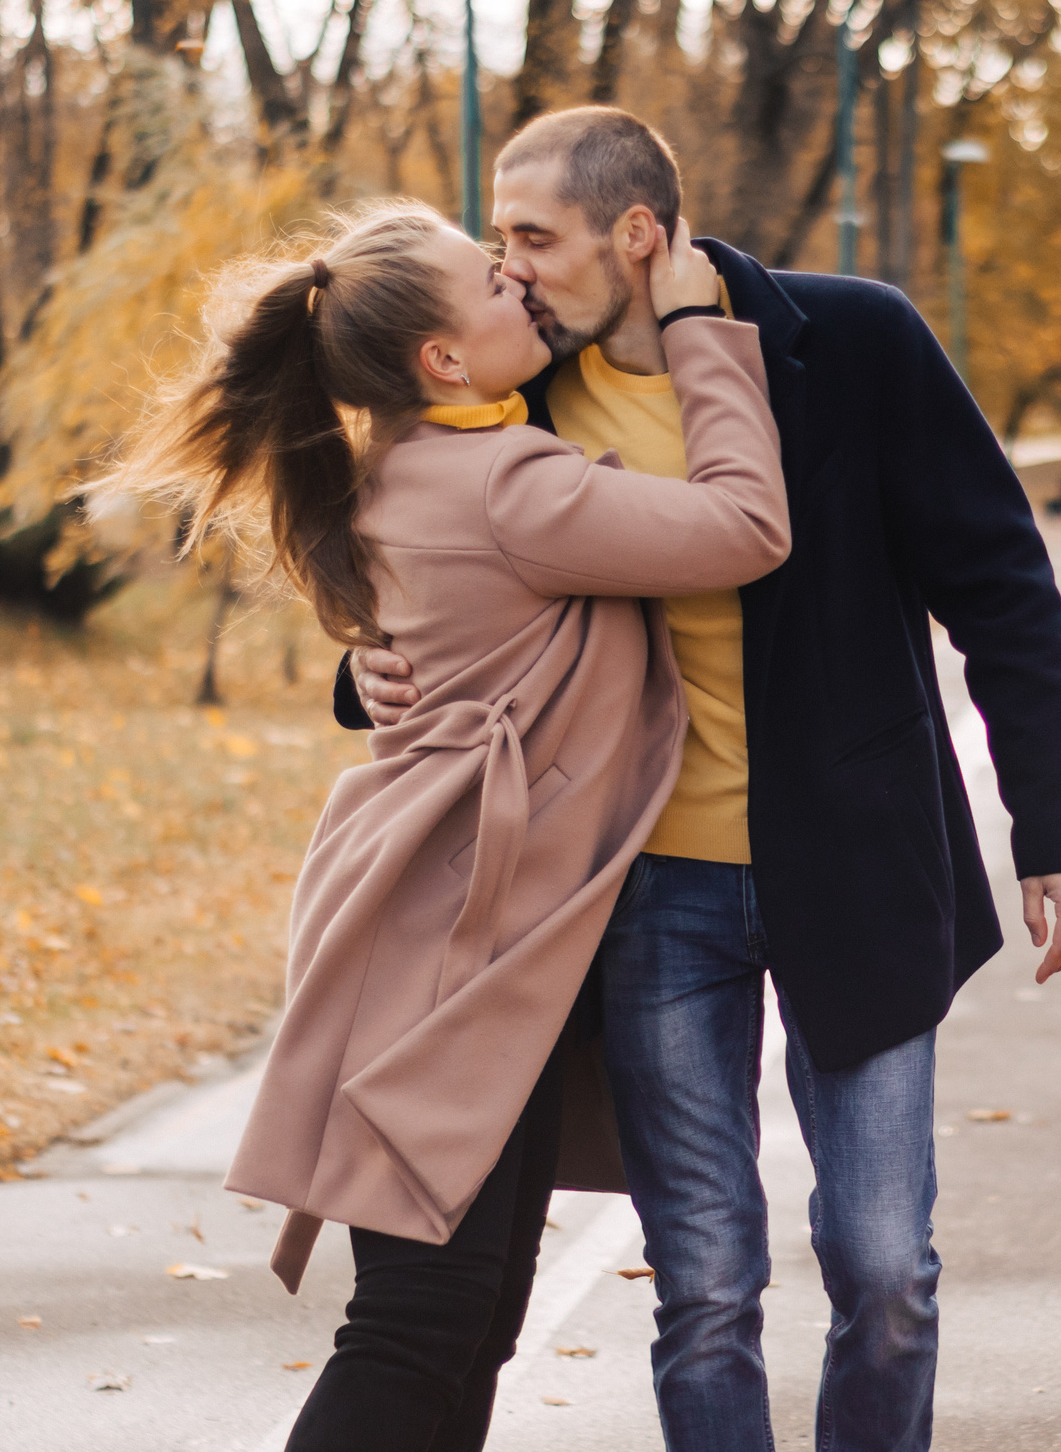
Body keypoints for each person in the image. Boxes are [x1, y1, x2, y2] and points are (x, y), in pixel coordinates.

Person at [336, 108, 1061, 1452]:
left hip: (858, 865)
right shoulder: (532, 389)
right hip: (647, 889)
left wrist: (1060, 827)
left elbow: (1000, 584)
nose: (511, 270)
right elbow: (445, 561)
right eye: (500, 242)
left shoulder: (853, 340)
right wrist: (364, 670)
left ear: (636, 233)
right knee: (702, 1281)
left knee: (885, 1269)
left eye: (535, 237)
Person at [106, 197, 790, 1452]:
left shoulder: (421, 458)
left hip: (445, 919)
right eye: (490, 280)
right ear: (442, 359)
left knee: (465, 1319)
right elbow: (748, 529)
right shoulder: (510, 483)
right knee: (424, 1321)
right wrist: (703, 335)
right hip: (452, 942)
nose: (516, 284)